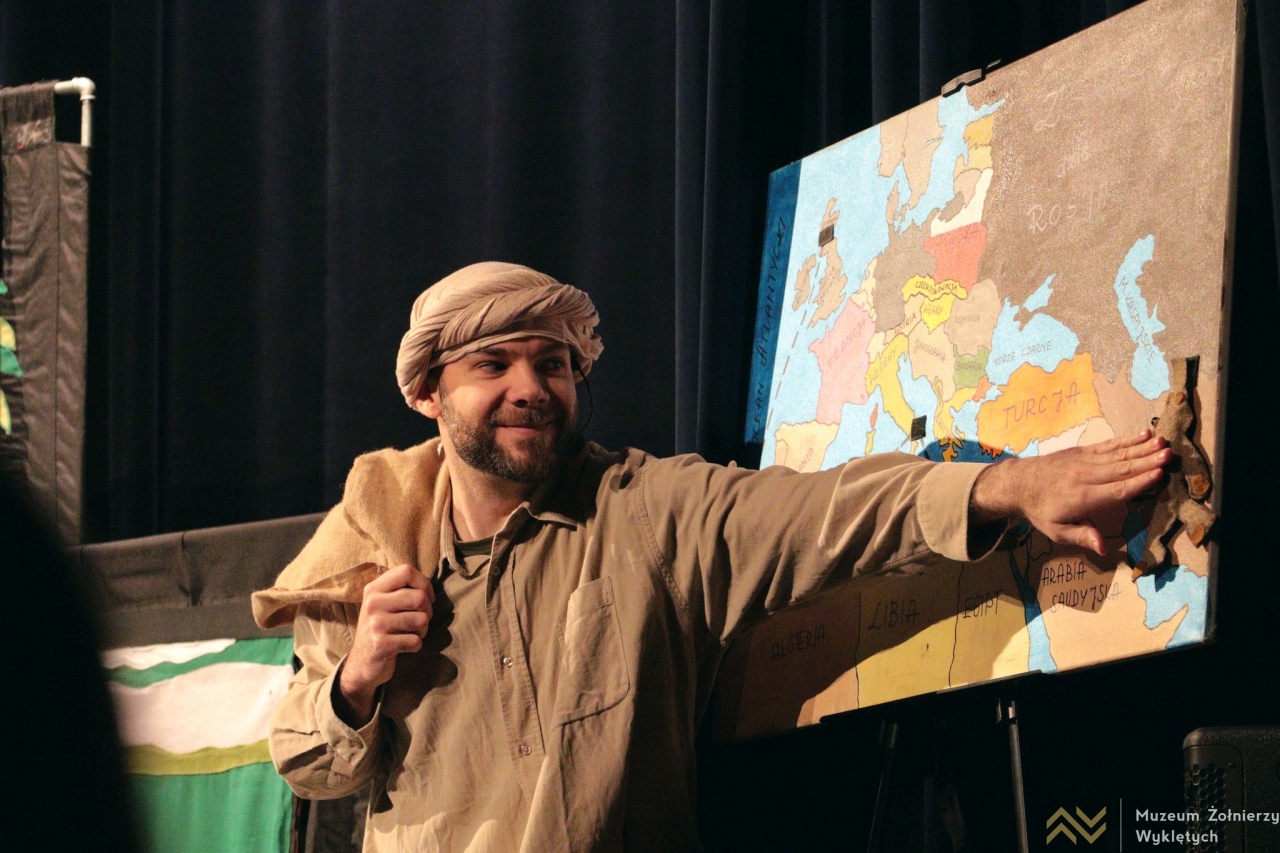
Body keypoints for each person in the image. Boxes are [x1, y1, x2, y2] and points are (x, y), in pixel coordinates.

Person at [253, 262, 1170, 851]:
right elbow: (306, 760)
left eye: (553, 363)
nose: (531, 388)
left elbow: (823, 513)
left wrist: (1010, 486)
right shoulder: (372, 544)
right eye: (494, 364)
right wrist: (356, 680)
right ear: (428, 393)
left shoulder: (643, 510)